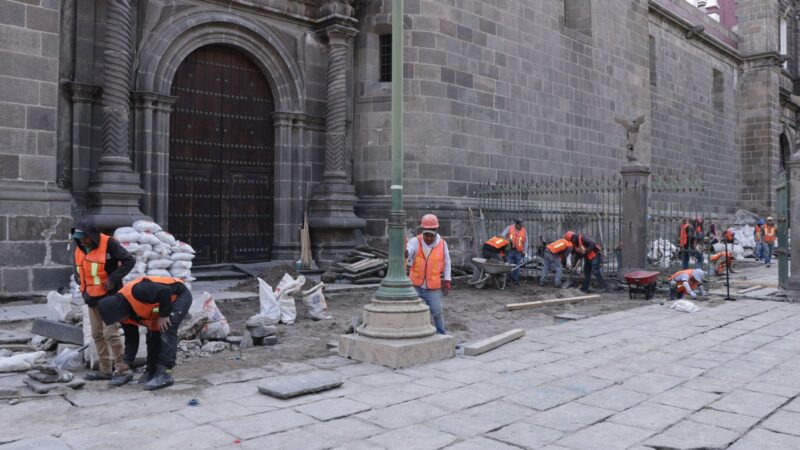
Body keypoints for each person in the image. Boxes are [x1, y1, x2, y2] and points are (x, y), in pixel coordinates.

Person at [97, 275, 192, 390]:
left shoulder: (137, 291)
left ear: (118, 310)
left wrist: (164, 315)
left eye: (117, 319)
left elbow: (164, 291)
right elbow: (131, 338)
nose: (118, 321)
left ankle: (165, 373)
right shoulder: (125, 315)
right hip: (160, 305)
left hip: (179, 295)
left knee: (167, 326)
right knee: (152, 334)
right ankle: (151, 372)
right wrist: (127, 362)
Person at [71, 218, 135, 382]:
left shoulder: (109, 244)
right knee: (97, 334)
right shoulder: (79, 247)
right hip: (91, 297)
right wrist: (78, 277)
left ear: (92, 235)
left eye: (84, 238)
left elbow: (129, 260)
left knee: (110, 334)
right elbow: (77, 266)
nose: (82, 241)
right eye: (79, 238)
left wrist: (113, 278)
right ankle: (105, 370)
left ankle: (121, 369)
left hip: (109, 297)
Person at [407, 214, 451, 334]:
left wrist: (447, 280)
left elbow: (447, 262)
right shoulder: (415, 242)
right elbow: (409, 251)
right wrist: (406, 253)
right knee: (411, 310)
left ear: (435, 233)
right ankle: (412, 332)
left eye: (431, 236)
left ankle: (441, 332)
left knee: (437, 312)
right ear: (423, 232)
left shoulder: (442, 244)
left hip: (433, 287)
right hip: (415, 285)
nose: (429, 238)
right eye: (426, 235)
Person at [501, 218, 528, 286]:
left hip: (519, 252)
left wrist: (524, 251)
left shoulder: (524, 231)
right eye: (520, 225)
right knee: (508, 265)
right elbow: (502, 235)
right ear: (516, 224)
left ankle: (515, 281)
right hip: (510, 251)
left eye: (522, 225)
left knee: (517, 267)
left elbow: (526, 242)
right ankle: (507, 280)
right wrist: (507, 242)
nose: (521, 226)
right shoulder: (509, 228)